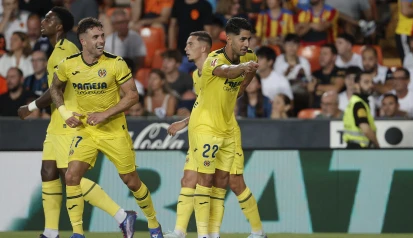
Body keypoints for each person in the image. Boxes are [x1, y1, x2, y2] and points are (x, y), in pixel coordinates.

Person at [16, 7, 138, 238]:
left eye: (49, 18)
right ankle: (51, 232)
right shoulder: (55, 51)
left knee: (69, 176)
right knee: (47, 172)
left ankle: (122, 215)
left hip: (70, 120)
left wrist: (30, 107)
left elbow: (56, 90)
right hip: (56, 121)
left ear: (60, 26)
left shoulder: (67, 50)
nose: (43, 21)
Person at [48, 17, 163, 238]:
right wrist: (64, 113)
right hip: (86, 130)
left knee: (131, 180)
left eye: (102, 36)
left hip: (113, 129)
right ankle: (77, 233)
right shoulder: (69, 64)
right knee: (71, 176)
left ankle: (153, 223)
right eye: (96, 37)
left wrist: (105, 114)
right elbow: (55, 88)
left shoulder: (115, 63)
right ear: (83, 40)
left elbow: (133, 95)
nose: (101, 41)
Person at [165, 31, 266, 238]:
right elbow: (202, 103)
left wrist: (245, 78)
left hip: (227, 132)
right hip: (203, 131)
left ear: (203, 48)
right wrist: (184, 122)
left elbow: (232, 69)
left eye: (190, 44)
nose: (185, 48)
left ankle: (257, 232)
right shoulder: (196, 75)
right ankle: (181, 232)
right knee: (189, 179)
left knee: (232, 183)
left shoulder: (216, 64)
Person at [187, 18, 259, 238]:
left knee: (220, 184)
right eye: (242, 39)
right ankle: (202, 234)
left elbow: (248, 75)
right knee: (205, 180)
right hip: (204, 126)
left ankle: (214, 234)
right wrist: (243, 69)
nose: (246, 43)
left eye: (248, 38)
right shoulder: (213, 59)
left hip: (227, 128)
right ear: (228, 39)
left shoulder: (250, 57)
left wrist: (244, 84)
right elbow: (226, 71)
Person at [343, 71, 379, 149]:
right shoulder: (359, 104)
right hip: (359, 149)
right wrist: (377, 144)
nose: (371, 85)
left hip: (353, 147)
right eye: (366, 82)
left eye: (371, 82)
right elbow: (365, 129)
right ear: (356, 85)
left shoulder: (354, 101)